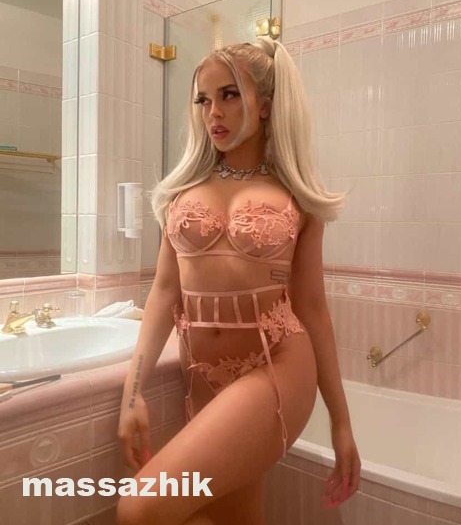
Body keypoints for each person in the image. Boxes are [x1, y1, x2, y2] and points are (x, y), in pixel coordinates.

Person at [116, 36, 361, 525]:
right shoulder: (182, 191)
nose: (214, 113)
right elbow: (164, 293)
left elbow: (312, 309)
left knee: (139, 508)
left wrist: (341, 422)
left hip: (278, 364)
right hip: (203, 373)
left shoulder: (296, 195)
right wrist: (132, 391)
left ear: (265, 104)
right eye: (204, 99)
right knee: (233, 516)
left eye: (229, 95)